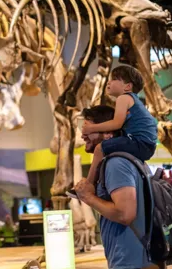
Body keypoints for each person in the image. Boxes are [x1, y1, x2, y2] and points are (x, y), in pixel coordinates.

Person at [74, 105, 152, 269]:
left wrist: (88, 197)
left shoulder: (116, 164)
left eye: (88, 129)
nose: (83, 135)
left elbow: (125, 214)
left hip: (131, 261)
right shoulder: (128, 160)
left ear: (109, 133)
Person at [67, 65, 158, 199]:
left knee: (99, 148)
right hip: (145, 145)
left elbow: (117, 123)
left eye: (114, 79)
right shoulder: (133, 101)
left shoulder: (124, 98)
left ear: (127, 86)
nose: (109, 82)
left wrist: (92, 128)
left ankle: (88, 185)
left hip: (139, 143)